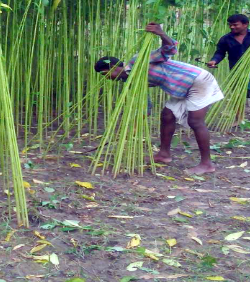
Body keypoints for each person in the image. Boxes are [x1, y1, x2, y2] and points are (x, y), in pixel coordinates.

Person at [94, 23, 224, 174]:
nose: (107, 79)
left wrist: (160, 33)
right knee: (167, 116)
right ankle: (164, 154)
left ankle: (207, 164)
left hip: (198, 81)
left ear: (113, 67)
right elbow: (145, 100)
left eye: (106, 74)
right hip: (182, 89)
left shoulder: (137, 61)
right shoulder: (129, 80)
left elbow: (169, 49)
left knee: (195, 121)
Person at [207, 14, 250, 123]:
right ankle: (238, 118)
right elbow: (220, 53)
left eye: (235, 25)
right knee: (237, 97)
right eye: (230, 25)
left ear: (245, 24)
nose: (232, 27)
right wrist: (214, 61)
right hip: (237, 71)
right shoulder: (226, 39)